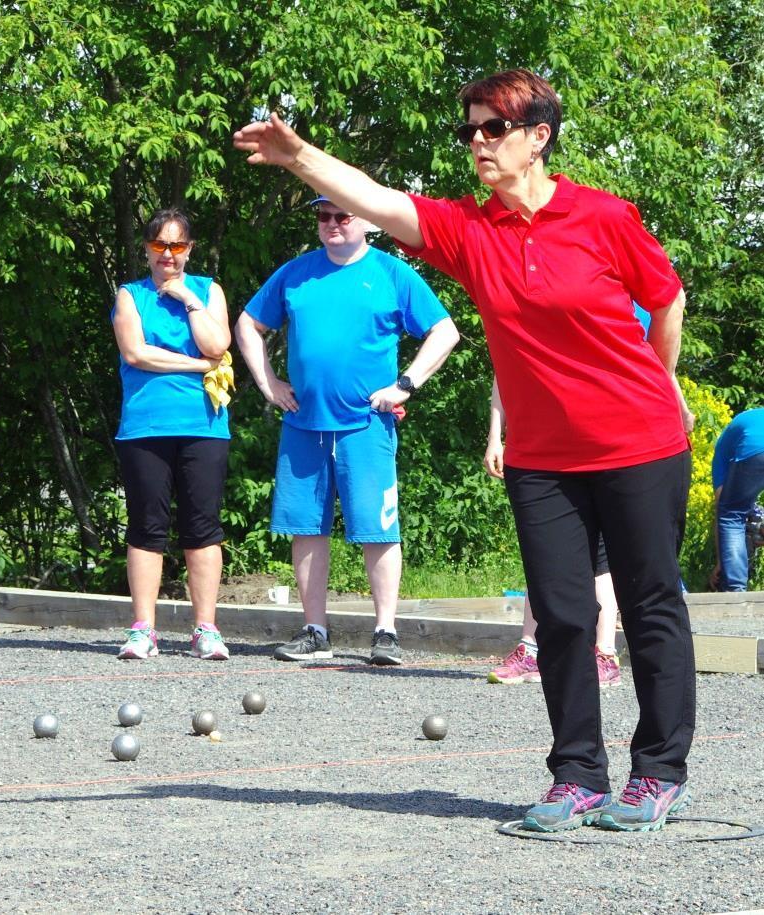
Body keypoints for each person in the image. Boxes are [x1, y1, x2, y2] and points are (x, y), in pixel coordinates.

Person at [234, 67, 695, 832]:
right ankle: (576, 775)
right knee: (560, 612)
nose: (477, 143)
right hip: (542, 458)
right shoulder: (469, 231)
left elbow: (664, 293)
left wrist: (663, 380)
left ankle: (656, 772)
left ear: (537, 137)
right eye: (469, 130)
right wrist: (296, 155)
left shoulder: (603, 216)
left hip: (638, 442)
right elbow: (377, 200)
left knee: (648, 606)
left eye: (493, 129)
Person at [234, 196, 459, 666]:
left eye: (342, 215)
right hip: (304, 423)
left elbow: (445, 331)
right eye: (323, 216)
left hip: (365, 425)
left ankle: (385, 633)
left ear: (367, 222)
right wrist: (267, 381)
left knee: (378, 528)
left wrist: (405, 385)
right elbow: (248, 324)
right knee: (305, 528)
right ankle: (315, 631)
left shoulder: (393, 274)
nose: (332, 224)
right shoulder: (296, 272)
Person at [112, 208, 233, 662]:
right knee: (147, 526)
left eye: (177, 245)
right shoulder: (130, 295)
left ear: (189, 250)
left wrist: (188, 299)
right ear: (146, 248)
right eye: (160, 245)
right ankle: (143, 630)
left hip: (204, 426)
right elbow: (137, 353)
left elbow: (217, 345)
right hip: (144, 426)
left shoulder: (207, 290)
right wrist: (197, 366)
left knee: (202, 527)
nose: (168, 254)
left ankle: (206, 629)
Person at [485, 380, 621, 687]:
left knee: (599, 559)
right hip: (540, 450)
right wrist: (496, 435)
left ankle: (605, 653)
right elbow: (502, 373)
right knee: (542, 555)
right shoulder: (518, 330)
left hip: (596, 445)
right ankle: (531, 649)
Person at [710, 408, 764, 591]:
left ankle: (736, 590)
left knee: (731, 514)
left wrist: (722, 561)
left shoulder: (721, 453)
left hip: (755, 445)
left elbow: (723, 509)